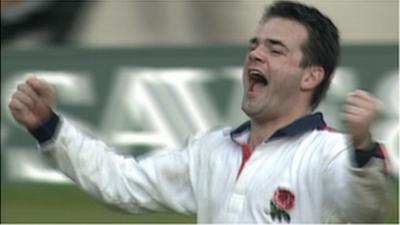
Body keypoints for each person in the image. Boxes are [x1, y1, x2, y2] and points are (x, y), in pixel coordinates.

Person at [8, 1, 387, 223]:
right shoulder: (211, 151)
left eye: (275, 49)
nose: (255, 53)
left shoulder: (330, 153)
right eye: (254, 44)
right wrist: (50, 128)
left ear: (311, 76)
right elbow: (121, 183)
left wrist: (362, 145)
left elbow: (367, 208)